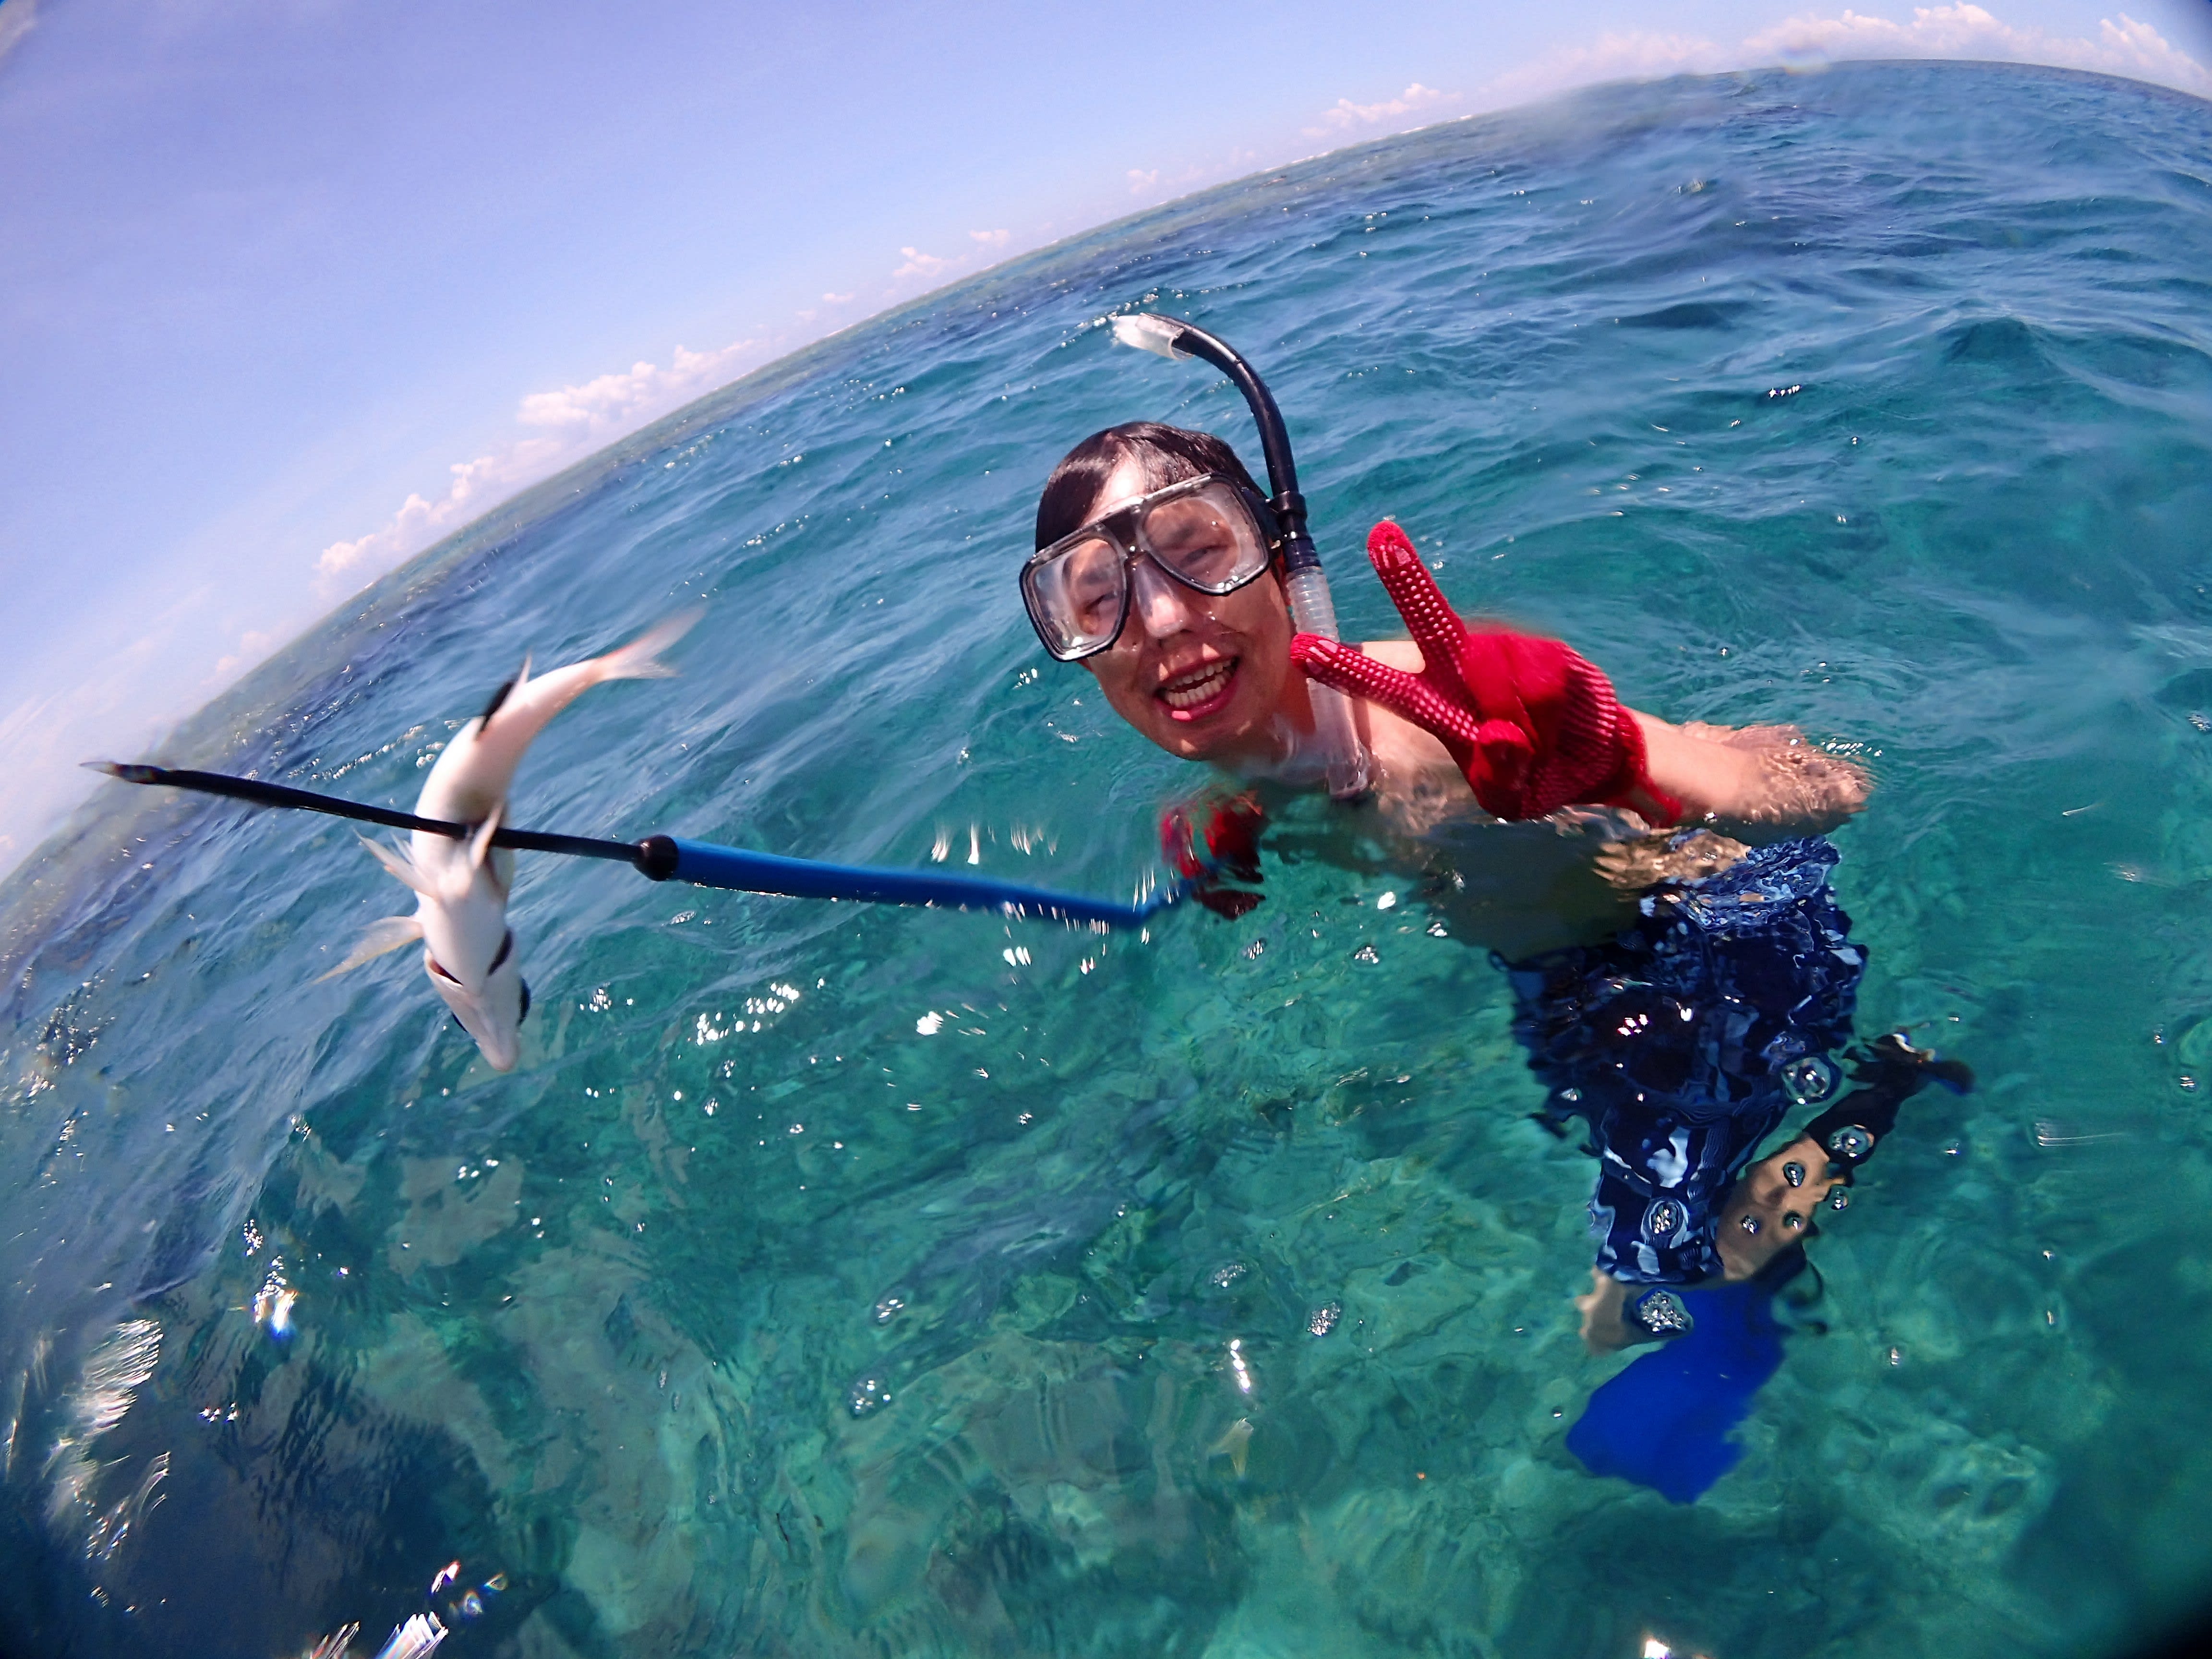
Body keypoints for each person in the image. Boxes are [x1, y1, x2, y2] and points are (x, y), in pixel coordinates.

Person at [1022, 420, 1967, 1353]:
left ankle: (1893, 1090)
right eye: (1098, 599)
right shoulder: (1256, 769)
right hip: (1568, 980)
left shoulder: (1442, 727)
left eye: (1198, 552)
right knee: (1642, 1273)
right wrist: (1248, 830)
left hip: (1710, 928)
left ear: (1280, 560)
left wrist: (1627, 759)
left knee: (1646, 1294)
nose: (1163, 618)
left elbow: (1837, 791)